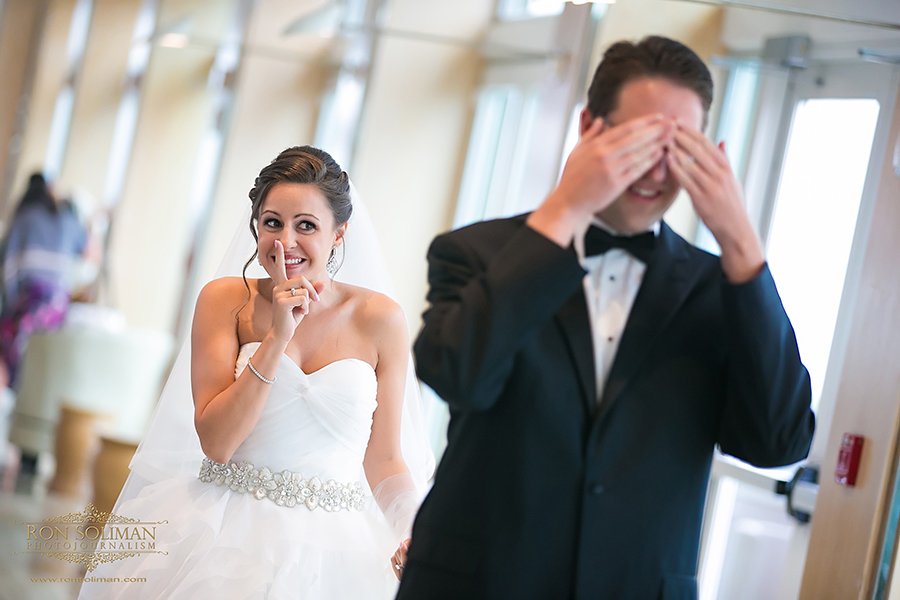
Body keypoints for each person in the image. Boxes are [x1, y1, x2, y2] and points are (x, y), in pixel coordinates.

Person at [397, 36, 815, 599]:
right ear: (588, 128)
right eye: (638, 140)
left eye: (678, 146)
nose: (654, 170)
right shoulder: (476, 252)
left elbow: (779, 442)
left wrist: (741, 245)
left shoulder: (722, 290)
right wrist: (566, 209)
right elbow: (456, 374)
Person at [78, 146, 433, 599]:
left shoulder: (381, 319)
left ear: (339, 233)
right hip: (220, 537)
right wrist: (277, 338)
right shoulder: (225, 301)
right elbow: (217, 443)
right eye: (272, 222)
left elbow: (384, 458)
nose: (285, 241)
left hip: (335, 550)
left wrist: (412, 530)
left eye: (306, 225)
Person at [0, 173, 87, 389]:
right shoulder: (67, 220)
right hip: (57, 306)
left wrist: (11, 305)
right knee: (41, 362)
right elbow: (88, 250)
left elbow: (7, 266)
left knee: (13, 358)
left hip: (27, 301)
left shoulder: (24, 218)